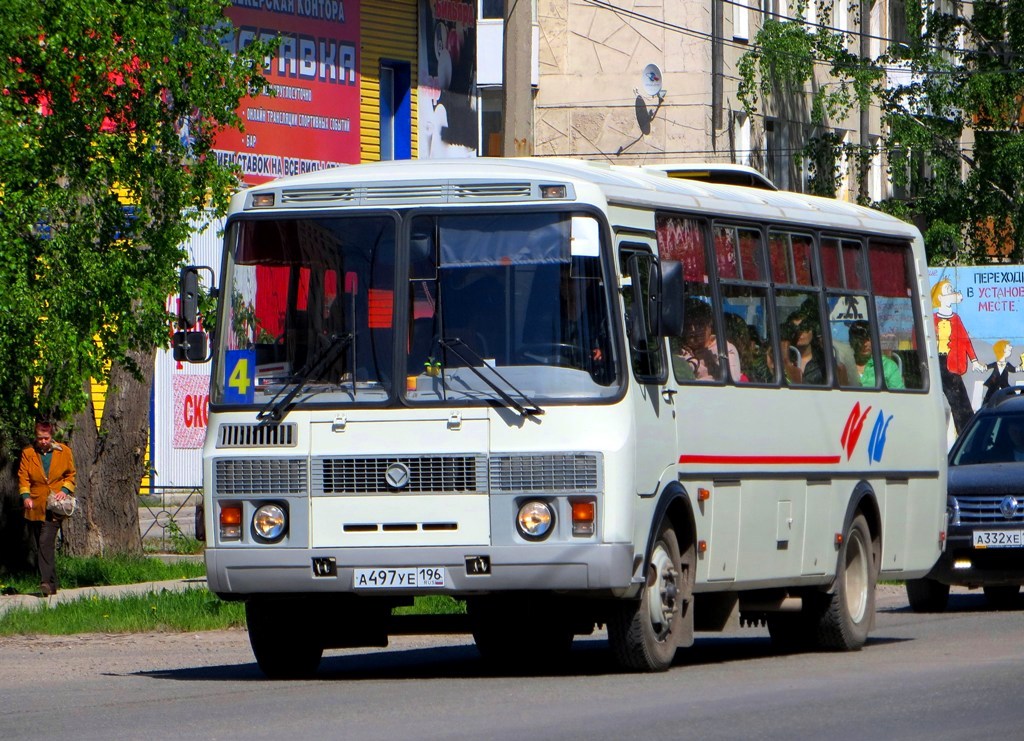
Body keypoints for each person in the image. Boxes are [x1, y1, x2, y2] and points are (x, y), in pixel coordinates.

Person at [18, 421, 76, 597]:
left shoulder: (64, 452)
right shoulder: (28, 453)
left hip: (54, 507)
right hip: (35, 505)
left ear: (52, 437)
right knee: (42, 544)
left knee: (45, 542)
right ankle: (52, 584)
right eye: (40, 438)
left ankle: (44, 582)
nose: (43, 441)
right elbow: (24, 477)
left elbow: (70, 474)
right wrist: (26, 496)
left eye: (46, 438)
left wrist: (64, 491)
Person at [849, 320, 904, 390]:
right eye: (860, 339)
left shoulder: (887, 366)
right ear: (852, 341)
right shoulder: (844, 364)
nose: (865, 344)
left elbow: (899, 396)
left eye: (868, 339)